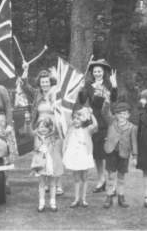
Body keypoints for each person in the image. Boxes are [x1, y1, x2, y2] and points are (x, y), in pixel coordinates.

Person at [21, 62, 64, 195]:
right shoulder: (36, 94)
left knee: (56, 156)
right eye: (42, 82)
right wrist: (25, 70)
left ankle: (58, 185)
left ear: (50, 82)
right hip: (40, 130)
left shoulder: (56, 93)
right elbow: (24, 85)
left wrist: (58, 78)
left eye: (47, 81)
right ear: (39, 83)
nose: (45, 84)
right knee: (42, 155)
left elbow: (64, 89)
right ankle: (44, 184)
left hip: (55, 129)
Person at [78, 59, 118, 193]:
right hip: (94, 121)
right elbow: (83, 100)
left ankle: (110, 181)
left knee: (108, 152)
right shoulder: (88, 85)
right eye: (95, 71)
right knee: (97, 154)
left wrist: (114, 86)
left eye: (99, 71)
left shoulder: (108, 83)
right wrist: (80, 89)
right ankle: (101, 179)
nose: (97, 73)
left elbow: (113, 99)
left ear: (103, 72)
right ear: (92, 73)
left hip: (106, 120)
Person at [102, 101, 138, 208]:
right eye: (119, 113)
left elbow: (134, 142)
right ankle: (109, 196)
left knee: (121, 177)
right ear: (115, 114)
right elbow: (105, 112)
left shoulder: (132, 127)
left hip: (124, 154)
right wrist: (107, 103)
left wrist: (135, 156)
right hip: (111, 152)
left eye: (125, 113)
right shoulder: (111, 122)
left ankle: (121, 197)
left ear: (128, 115)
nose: (122, 116)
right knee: (111, 176)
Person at [63, 107, 98, 208]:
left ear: (83, 120)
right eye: (74, 118)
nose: (76, 120)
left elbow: (95, 125)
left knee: (85, 177)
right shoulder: (70, 129)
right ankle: (76, 198)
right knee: (76, 178)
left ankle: (84, 198)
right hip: (74, 155)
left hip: (84, 154)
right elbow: (65, 120)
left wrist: (91, 114)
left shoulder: (87, 129)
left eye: (78, 119)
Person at [30, 117, 64, 212]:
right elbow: (35, 144)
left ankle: (53, 203)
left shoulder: (53, 136)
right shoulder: (37, 136)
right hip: (40, 163)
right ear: (37, 128)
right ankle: (41, 203)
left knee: (52, 184)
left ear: (49, 128)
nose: (43, 129)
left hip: (51, 163)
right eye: (40, 127)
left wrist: (57, 122)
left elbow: (59, 134)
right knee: (41, 184)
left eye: (45, 126)